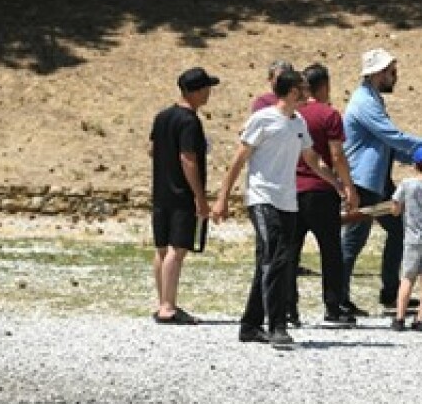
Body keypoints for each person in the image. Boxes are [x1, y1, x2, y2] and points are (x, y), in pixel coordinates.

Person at [212, 69, 346, 350]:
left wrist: (337, 183)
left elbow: (312, 159)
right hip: (263, 198)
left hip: (289, 201)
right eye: (303, 88)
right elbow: (238, 160)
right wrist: (222, 198)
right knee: (277, 257)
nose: (308, 93)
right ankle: (277, 325)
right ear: (293, 91)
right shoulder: (262, 120)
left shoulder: (298, 123)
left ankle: (250, 325)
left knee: (270, 260)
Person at [341, 48, 422, 318]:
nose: (395, 76)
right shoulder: (364, 102)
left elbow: (388, 145)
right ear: (377, 74)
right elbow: (392, 136)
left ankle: (390, 292)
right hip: (363, 181)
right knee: (353, 240)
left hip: (377, 179)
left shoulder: (372, 99)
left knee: (398, 230)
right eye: (391, 72)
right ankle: (338, 298)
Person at [288, 63, 359, 328]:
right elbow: (337, 154)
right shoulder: (329, 115)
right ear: (325, 86)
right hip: (321, 191)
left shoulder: (294, 114)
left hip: (292, 189)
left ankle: (288, 308)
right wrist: (348, 186)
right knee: (330, 251)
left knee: (290, 251)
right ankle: (333, 306)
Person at [148, 66, 220, 325]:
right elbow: (188, 159)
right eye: (206, 88)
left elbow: (152, 149)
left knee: (161, 249)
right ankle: (168, 306)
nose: (209, 92)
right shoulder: (190, 121)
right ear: (196, 91)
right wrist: (199, 197)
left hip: (160, 192)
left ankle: (161, 302)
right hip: (181, 195)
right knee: (177, 251)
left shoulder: (162, 116)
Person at [390, 143, 422, 332]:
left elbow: (395, 210)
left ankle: (400, 317)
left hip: (413, 238)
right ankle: (420, 319)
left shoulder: (407, 184)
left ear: (415, 165)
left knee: (407, 278)